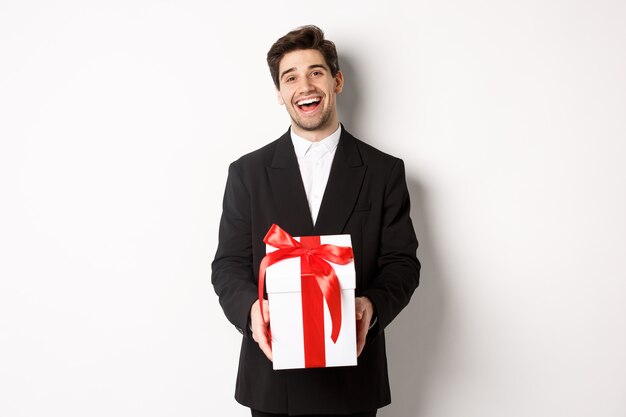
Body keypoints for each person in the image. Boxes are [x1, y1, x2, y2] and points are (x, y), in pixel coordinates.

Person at [211, 25, 420, 417]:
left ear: (337, 81)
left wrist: (370, 306)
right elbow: (227, 266)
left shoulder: (383, 171)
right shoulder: (247, 173)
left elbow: (402, 264)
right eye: (290, 77)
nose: (304, 85)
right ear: (279, 94)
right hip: (273, 383)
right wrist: (251, 310)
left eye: (316, 72)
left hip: (352, 382)